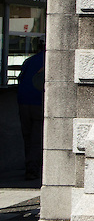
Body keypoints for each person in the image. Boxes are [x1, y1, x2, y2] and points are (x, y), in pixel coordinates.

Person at [17, 43, 44, 181]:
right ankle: (33, 169)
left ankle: (29, 165)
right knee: (37, 138)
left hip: (23, 101)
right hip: (39, 102)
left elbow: (20, 78)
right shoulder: (49, 60)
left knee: (27, 136)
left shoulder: (29, 61)